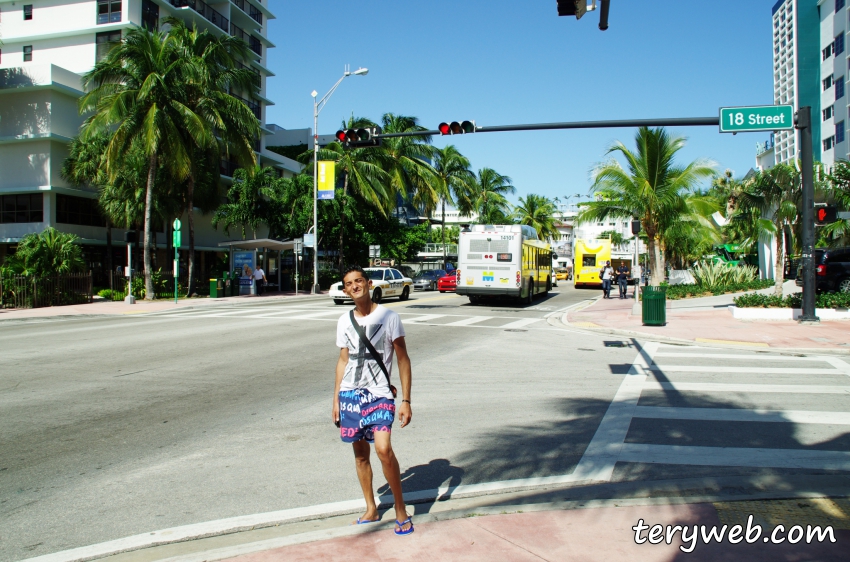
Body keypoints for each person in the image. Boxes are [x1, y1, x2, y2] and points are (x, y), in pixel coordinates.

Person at [333, 265, 414, 536]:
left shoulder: (389, 316)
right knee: (360, 455)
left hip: (379, 393)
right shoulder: (344, 321)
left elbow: (402, 359)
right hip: (351, 395)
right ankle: (371, 508)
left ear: (368, 283)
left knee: (382, 449)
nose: (355, 286)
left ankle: (401, 509)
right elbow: (343, 360)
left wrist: (406, 400)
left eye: (358, 281)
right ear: (345, 290)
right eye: (349, 283)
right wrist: (335, 400)